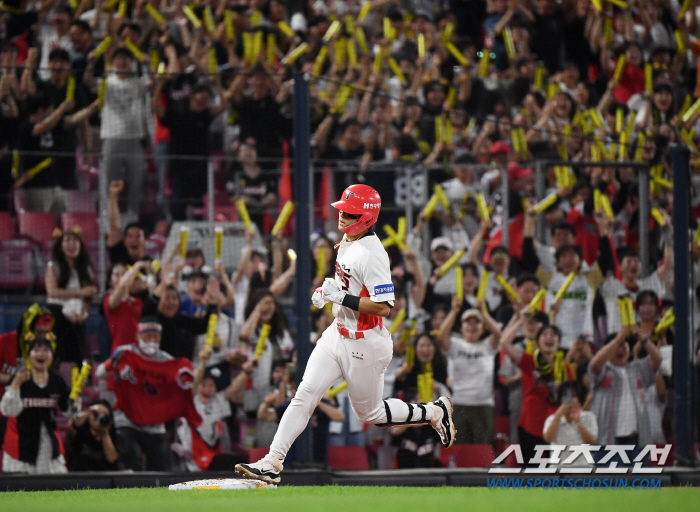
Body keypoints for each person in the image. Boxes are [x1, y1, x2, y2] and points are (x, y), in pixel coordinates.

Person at [235, 184, 455, 484]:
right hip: (337, 334)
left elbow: (383, 307)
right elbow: (349, 277)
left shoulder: (373, 253)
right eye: (342, 209)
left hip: (365, 342)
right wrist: (329, 289)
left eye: (349, 213)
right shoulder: (351, 237)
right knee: (304, 395)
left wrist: (338, 298)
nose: (341, 215)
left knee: (371, 414)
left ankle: (434, 411)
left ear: (366, 217)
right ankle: (272, 462)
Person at [0, 335, 70, 474]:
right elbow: (8, 410)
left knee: (54, 490)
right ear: (29, 355)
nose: (41, 354)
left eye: (45, 350)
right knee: (19, 491)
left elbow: (68, 411)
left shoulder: (57, 381)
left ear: (51, 355)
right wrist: (16, 384)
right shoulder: (19, 378)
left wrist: (75, 400)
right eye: (36, 350)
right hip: (19, 446)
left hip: (48, 445)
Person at [45, 226, 97, 366]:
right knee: (57, 356)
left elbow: (88, 296)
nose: (71, 244)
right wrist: (80, 292)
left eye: (75, 240)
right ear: (61, 247)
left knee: (77, 357)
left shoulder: (86, 268)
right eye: (67, 240)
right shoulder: (53, 266)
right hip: (57, 315)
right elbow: (52, 292)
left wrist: (84, 312)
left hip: (77, 317)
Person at [542, 380, 597, 468]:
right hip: (558, 468)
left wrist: (578, 421)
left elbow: (590, 442)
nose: (569, 400)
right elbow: (548, 438)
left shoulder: (589, 417)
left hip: (584, 468)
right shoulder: (552, 419)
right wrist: (558, 415)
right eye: (565, 396)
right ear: (560, 399)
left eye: (573, 396)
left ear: (579, 398)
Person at [66, 399, 120, 471]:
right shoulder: (80, 429)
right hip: (80, 477)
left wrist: (105, 432)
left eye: (103, 415)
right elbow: (72, 426)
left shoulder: (112, 433)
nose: (98, 417)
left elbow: (112, 459)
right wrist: (90, 410)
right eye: (95, 414)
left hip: (104, 477)